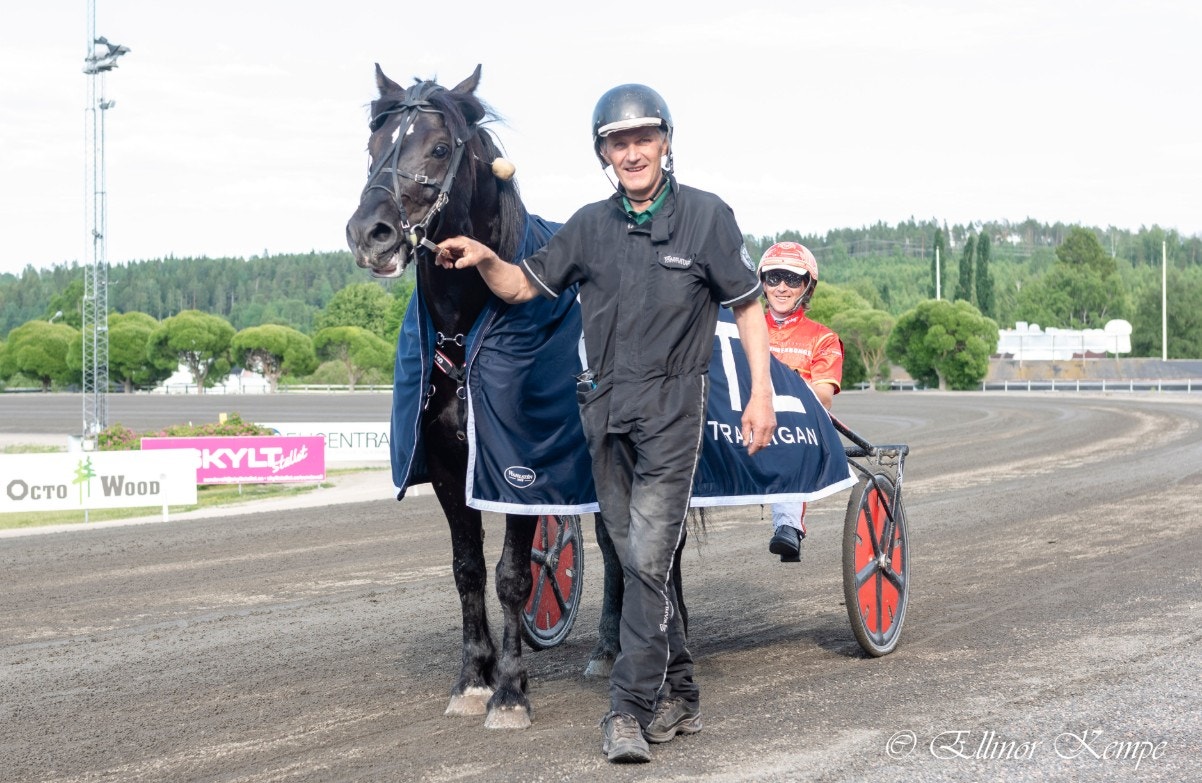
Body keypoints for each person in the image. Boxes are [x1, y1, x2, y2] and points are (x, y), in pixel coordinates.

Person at [435, 84, 776, 764]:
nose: (632, 151)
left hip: (674, 415)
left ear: (666, 142)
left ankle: (627, 710)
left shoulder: (708, 217)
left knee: (647, 561)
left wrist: (760, 392)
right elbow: (524, 284)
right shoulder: (589, 226)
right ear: (604, 154)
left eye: (643, 138)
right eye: (618, 143)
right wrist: (483, 257)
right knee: (632, 557)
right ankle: (682, 692)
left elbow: (747, 305)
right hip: (604, 416)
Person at [758, 241, 844, 562]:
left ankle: (788, 526)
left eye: (792, 279)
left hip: (795, 427)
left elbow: (822, 397)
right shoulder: (739, 328)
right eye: (774, 277)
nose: (781, 287)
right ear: (762, 281)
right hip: (739, 422)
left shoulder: (823, 338)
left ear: (806, 287)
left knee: (790, 422)